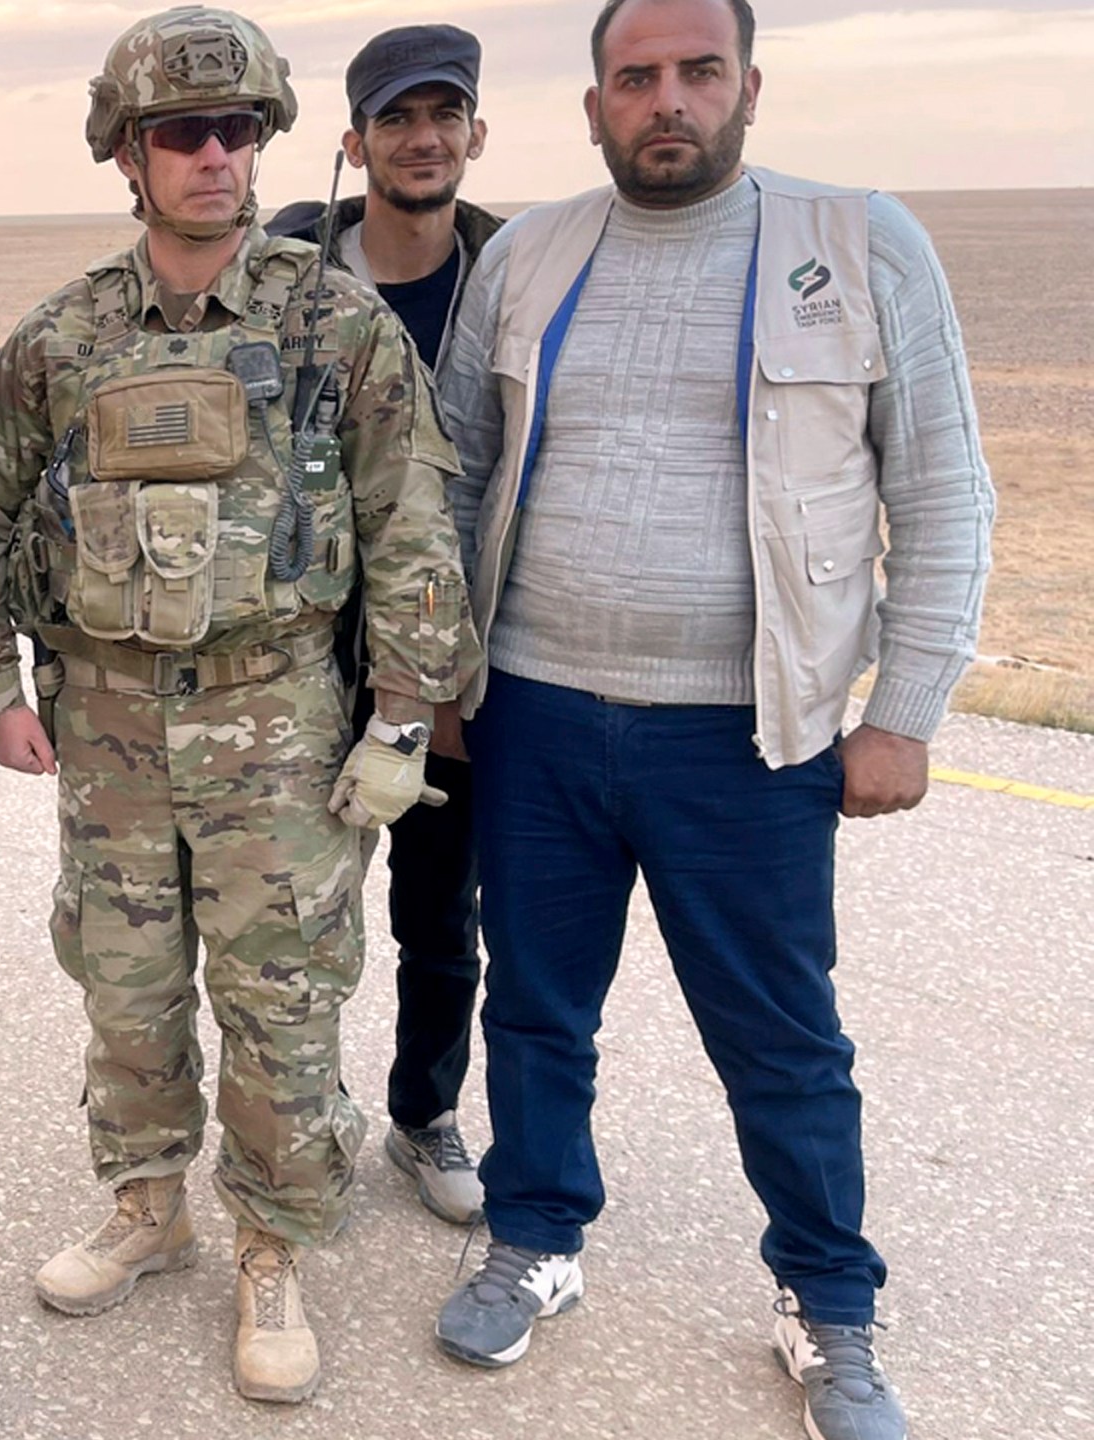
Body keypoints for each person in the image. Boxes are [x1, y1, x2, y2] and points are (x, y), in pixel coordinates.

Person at [426, 4, 993, 1437]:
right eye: (635, 79)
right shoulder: (527, 255)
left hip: (750, 738)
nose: (664, 102)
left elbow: (941, 492)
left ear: (748, 86)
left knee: (782, 1038)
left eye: (694, 74)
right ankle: (537, 1239)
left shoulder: (861, 245)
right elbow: (448, 475)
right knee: (538, 1009)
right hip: (538, 714)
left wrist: (905, 711)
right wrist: (436, 676)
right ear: (594, 103)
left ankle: (830, 1308)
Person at [0, 6, 479, 1403]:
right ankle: (147, 1205)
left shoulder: (335, 322)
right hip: (114, 736)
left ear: (263, 144)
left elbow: (413, 524)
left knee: (282, 1004)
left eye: (234, 131)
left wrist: (401, 718)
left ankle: (271, 1243)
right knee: (125, 993)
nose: (211, 156)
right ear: (126, 156)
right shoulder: (63, 339)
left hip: (281, 732)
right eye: (179, 134)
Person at [263, 22, 502, 1228]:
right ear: (353, 143)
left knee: (437, 912)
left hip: (451, 655)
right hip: (305, 653)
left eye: (443, 115)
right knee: (303, 913)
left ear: (473, 130)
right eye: (396, 119)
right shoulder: (287, 270)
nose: (423, 138)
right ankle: (313, 1114)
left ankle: (424, 1113)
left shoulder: (513, 271)